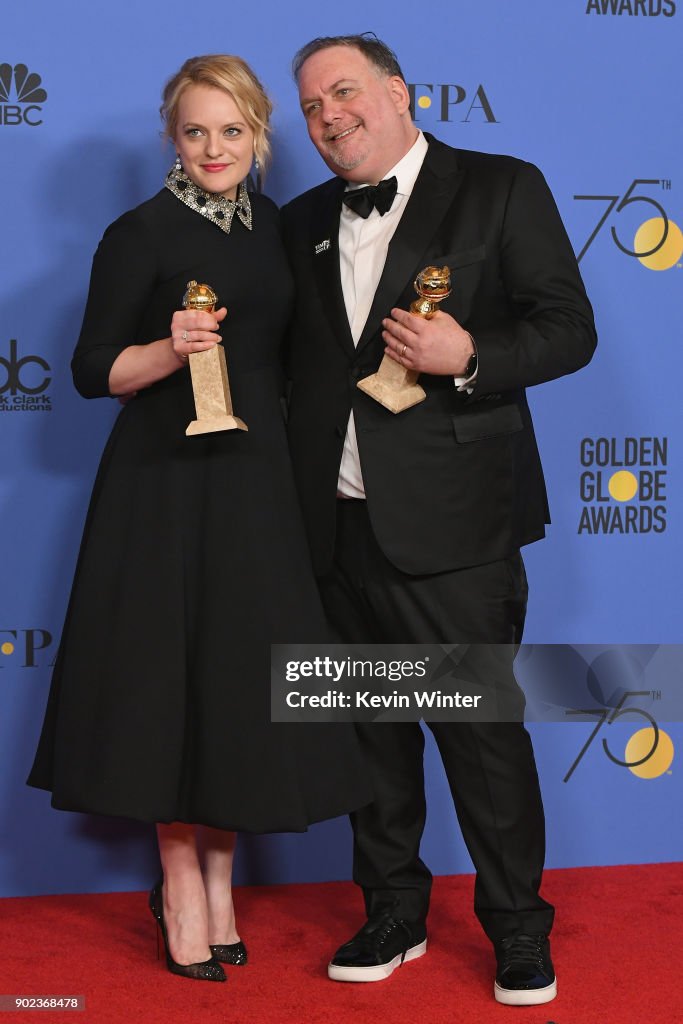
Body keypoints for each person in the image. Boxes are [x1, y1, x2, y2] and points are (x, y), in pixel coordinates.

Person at [28, 54, 370, 984]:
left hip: (258, 485)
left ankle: (220, 881)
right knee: (166, 683)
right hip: (164, 487)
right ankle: (180, 884)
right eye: (194, 131)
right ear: (170, 138)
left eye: (231, 130)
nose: (213, 148)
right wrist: (162, 348)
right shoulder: (137, 233)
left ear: (258, 135)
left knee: (231, 683)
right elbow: (93, 369)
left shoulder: (279, 230)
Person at [281, 34, 597, 1006]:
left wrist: (469, 352)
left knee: (479, 736)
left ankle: (513, 928)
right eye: (309, 107)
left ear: (396, 92)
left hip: (454, 529)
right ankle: (392, 908)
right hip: (332, 530)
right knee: (369, 738)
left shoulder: (499, 186)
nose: (328, 116)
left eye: (342, 92)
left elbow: (566, 328)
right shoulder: (298, 223)